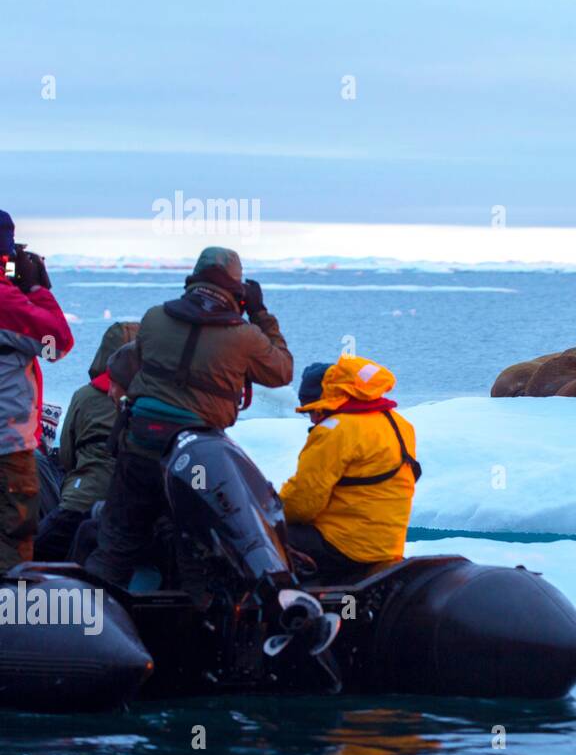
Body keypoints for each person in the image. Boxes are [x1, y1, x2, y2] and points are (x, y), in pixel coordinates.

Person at [84, 247, 294, 588]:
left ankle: (94, 620)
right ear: (237, 291)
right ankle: (191, 629)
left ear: (193, 280)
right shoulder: (243, 337)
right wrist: (260, 313)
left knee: (116, 544)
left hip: (139, 445)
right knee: (195, 552)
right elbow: (282, 371)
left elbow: (134, 367)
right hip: (195, 461)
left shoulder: (153, 318)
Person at [281, 356, 420, 584]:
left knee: (263, 536)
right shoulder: (398, 423)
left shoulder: (335, 431)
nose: (313, 418)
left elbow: (303, 503)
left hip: (346, 546)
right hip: (388, 545)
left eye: (313, 411)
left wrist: (272, 510)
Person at [0, 210, 74, 571]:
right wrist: (37, 291)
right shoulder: (6, 302)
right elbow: (56, 343)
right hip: (6, 445)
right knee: (14, 541)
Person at [34, 322, 139, 560]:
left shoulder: (84, 396)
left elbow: (68, 457)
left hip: (81, 500)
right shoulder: (156, 400)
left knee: (33, 553)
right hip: (134, 508)